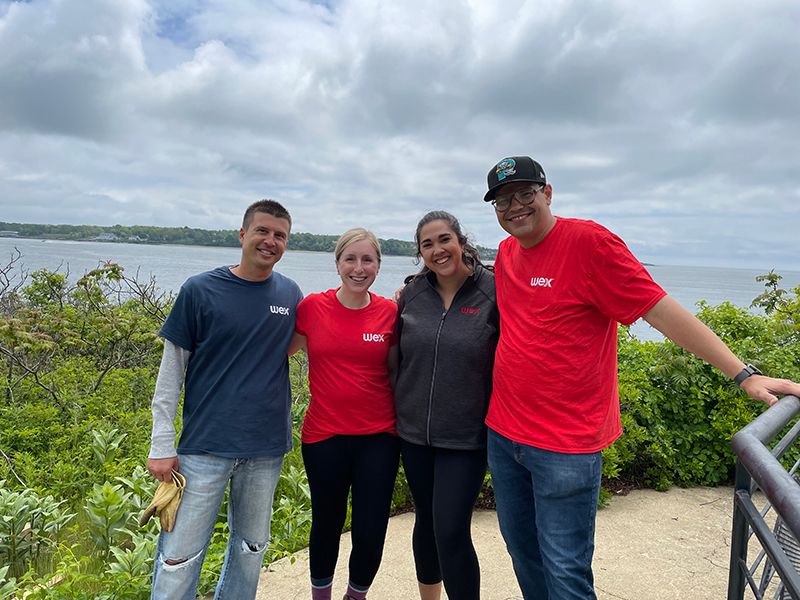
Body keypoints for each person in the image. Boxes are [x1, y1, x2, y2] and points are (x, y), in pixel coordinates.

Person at [481, 156, 800, 600]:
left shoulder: (590, 244)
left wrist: (743, 374)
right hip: (504, 433)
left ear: (547, 193)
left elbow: (660, 310)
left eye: (523, 194)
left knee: (565, 567)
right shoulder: (507, 252)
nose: (513, 207)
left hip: (566, 444)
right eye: (501, 201)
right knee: (523, 554)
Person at [146, 199, 303, 600]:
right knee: (179, 556)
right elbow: (170, 376)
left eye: (280, 235)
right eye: (262, 231)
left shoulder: (290, 293)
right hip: (204, 448)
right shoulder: (200, 290)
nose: (270, 241)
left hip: (266, 448)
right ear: (242, 234)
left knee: (251, 550)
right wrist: (162, 444)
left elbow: (300, 341)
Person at [394, 211, 499, 600]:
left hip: (467, 435)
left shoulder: (493, 291)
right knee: (426, 523)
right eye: (427, 244)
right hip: (413, 432)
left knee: (451, 528)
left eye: (444, 240)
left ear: (460, 240)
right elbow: (395, 356)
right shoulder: (413, 293)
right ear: (420, 251)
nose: (437, 250)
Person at [290, 228, 400, 600]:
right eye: (350, 259)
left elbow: (405, 368)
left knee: (371, 525)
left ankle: (356, 596)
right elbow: (272, 354)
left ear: (378, 266)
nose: (358, 267)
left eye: (367, 259)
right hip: (324, 437)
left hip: (379, 437)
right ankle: (320, 596)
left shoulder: (390, 312)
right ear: (337, 263)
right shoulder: (311, 308)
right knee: (327, 521)